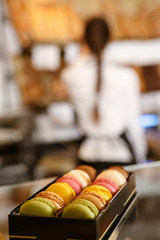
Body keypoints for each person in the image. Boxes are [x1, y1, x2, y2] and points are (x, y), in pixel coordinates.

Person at [61, 17, 147, 169]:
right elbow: (134, 123)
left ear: (84, 40)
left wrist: (83, 50)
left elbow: (74, 67)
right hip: (121, 157)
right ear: (109, 39)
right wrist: (141, 157)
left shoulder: (70, 76)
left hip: (87, 157)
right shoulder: (126, 75)